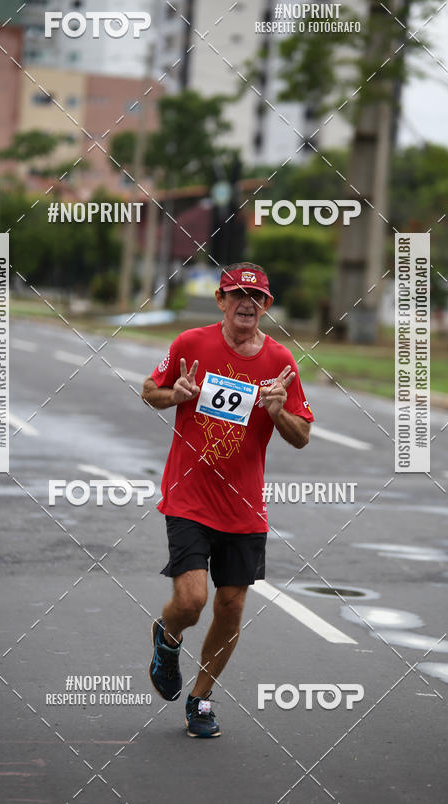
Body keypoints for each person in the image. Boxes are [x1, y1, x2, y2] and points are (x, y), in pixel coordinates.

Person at [141, 262, 314, 738]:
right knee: (192, 600)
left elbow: (302, 435)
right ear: (220, 300)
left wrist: (278, 412)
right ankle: (168, 637)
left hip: (244, 508)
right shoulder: (190, 344)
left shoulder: (280, 361)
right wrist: (174, 394)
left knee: (231, 606)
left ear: (267, 306)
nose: (247, 303)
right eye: (237, 294)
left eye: (256, 297)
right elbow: (149, 390)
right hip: (189, 496)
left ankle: (200, 698)